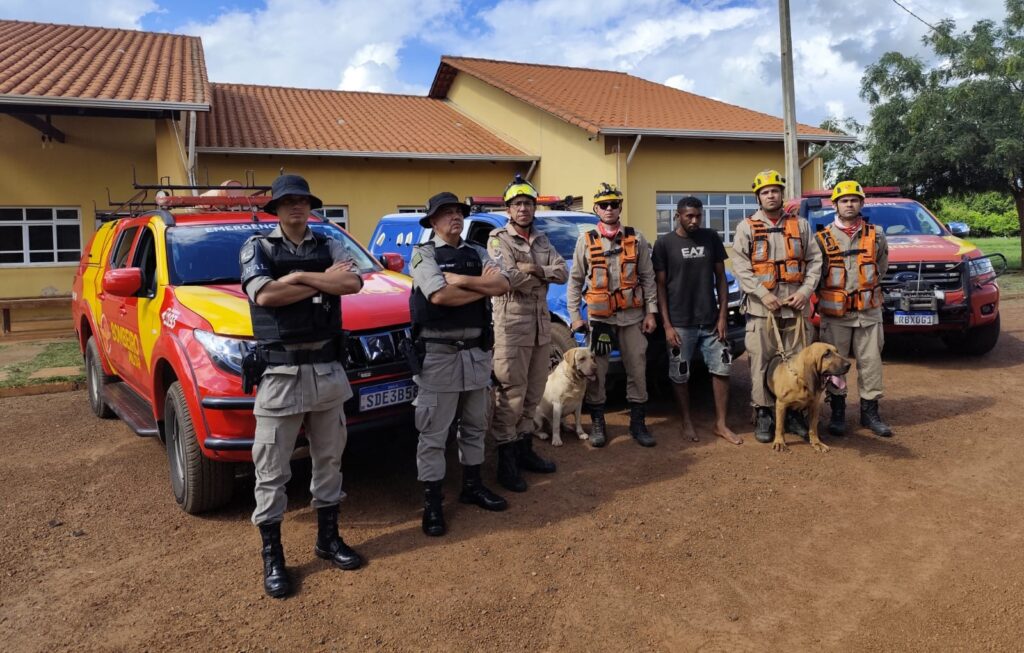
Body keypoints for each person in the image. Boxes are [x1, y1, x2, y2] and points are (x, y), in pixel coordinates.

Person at [239, 174, 365, 599]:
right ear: (275, 208)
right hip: (280, 375)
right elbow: (264, 296)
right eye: (288, 201)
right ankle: (273, 557)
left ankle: (328, 539)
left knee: (329, 461)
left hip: (327, 370)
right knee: (272, 471)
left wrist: (294, 279)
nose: (297, 207)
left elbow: (352, 283)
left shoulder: (329, 244)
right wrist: (313, 278)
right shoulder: (257, 247)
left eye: (303, 200)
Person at [410, 191, 511, 537]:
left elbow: (503, 284)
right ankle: (433, 503)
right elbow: (439, 295)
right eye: (446, 213)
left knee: (474, 426)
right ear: (433, 221)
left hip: (476, 354)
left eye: (458, 212)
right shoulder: (423, 255)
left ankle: (472, 486)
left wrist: (464, 281)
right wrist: (483, 287)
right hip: (439, 356)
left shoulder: (478, 252)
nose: (454, 217)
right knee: (434, 434)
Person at [487, 174, 568, 492]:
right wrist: (538, 274)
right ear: (509, 209)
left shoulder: (543, 240)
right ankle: (506, 464)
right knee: (511, 396)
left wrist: (535, 269)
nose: (523, 208)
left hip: (540, 327)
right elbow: (506, 278)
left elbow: (561, 271)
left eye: (528, 203)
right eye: (517, 204)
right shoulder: (498, 239)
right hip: (512, 329)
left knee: (533, 395)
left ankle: (524, 453)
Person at [730, 170, 822, 444]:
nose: (771, 195)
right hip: (762, 310)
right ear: (758, 197)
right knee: (760, 362)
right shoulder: (745, 227)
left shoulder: (801, 225)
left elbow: (815, 261)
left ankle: (795, 414)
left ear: (782, 194)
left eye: (775, 190)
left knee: (797, 364)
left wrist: (805, 291)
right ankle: (763, 414)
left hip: (795, 309)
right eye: (765, 191)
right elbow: (740, 266)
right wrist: (762, 293)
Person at [566, 183, 659, 448]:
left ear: (620, 207)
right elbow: (574, 282)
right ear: (596, 209)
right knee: (597, 371)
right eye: (604, 205)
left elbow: (647, 278)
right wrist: (575, 316)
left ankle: (638, 423)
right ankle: (598, 422)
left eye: (613, 204)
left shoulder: (636, 238)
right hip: (601, 320)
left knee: (637, 369)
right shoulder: (586, 241)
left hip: (632, 317)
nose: (609, 209)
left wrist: (651, 312)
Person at [654, 196, 742, 445]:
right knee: (680, 373)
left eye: (698, 216)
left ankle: (721, 424)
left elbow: (721, 279)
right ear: (678, 215)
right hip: (680, 323)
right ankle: (686, 421)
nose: (694, 220)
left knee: (722, 369)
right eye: (689, 216)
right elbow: (660, 287)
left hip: (711, 321)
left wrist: (723, 315)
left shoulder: (711, 238)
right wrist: (667, 325)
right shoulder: (664, 244)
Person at [816, 180, 893, 437]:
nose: (849, 204)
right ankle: (837, 412)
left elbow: (881, 267)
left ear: (861, 203)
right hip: (835, 315)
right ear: (835, 205)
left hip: (868, 313)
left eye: (854, 200)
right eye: (844, 200)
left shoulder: (876, 234)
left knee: (870, 363)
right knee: (835, 365)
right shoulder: (822, 238)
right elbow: (816, 276)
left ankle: (870, 413)